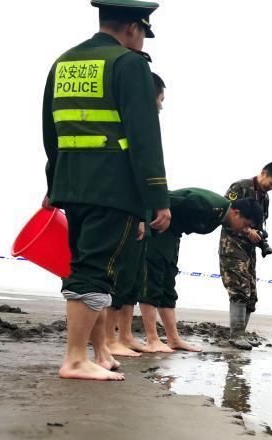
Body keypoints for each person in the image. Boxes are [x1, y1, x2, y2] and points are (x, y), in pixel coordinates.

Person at [42, 0, 170, 381]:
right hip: (112, 186)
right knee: (97, 270)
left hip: (72, 182)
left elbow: (52, 132)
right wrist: (157, 199)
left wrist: (54, 183)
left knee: (87, 265)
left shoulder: (64, 62)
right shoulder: (128, 64)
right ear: (133, 28)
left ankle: (97, 352)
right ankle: (75, 359)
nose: (143, 43)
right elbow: (144, 138)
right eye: (143, 35)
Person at [140, 189, 263, 352]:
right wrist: (141, 220)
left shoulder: (220, 214)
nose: (244, 230)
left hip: (171, 235)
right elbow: (164, 198)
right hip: (155, 230)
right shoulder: (206, 205)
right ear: (236, 212)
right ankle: (152, 339)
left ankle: (173, 339)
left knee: (168, 285)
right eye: (246, 225)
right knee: (153, 282)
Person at [105, 73, 167, 357]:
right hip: (121, 205)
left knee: (132, 277)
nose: (162, 106)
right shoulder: (131, 121)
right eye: (161, 99)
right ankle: (109, 338)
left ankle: (126, 335)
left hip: (137, 208)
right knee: (116, 276)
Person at [219, 163, 272, 349]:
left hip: (250, 249)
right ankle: (236, 336)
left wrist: (261, 239)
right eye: (271, 184)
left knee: (251, 295)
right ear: (263, 173)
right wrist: (248, 231)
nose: (271, 188)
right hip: (232, 244)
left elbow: (261, 223)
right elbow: (225, 213)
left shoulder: (265, 198)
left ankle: (241, 334)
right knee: (239, 288)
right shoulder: (240, 187)